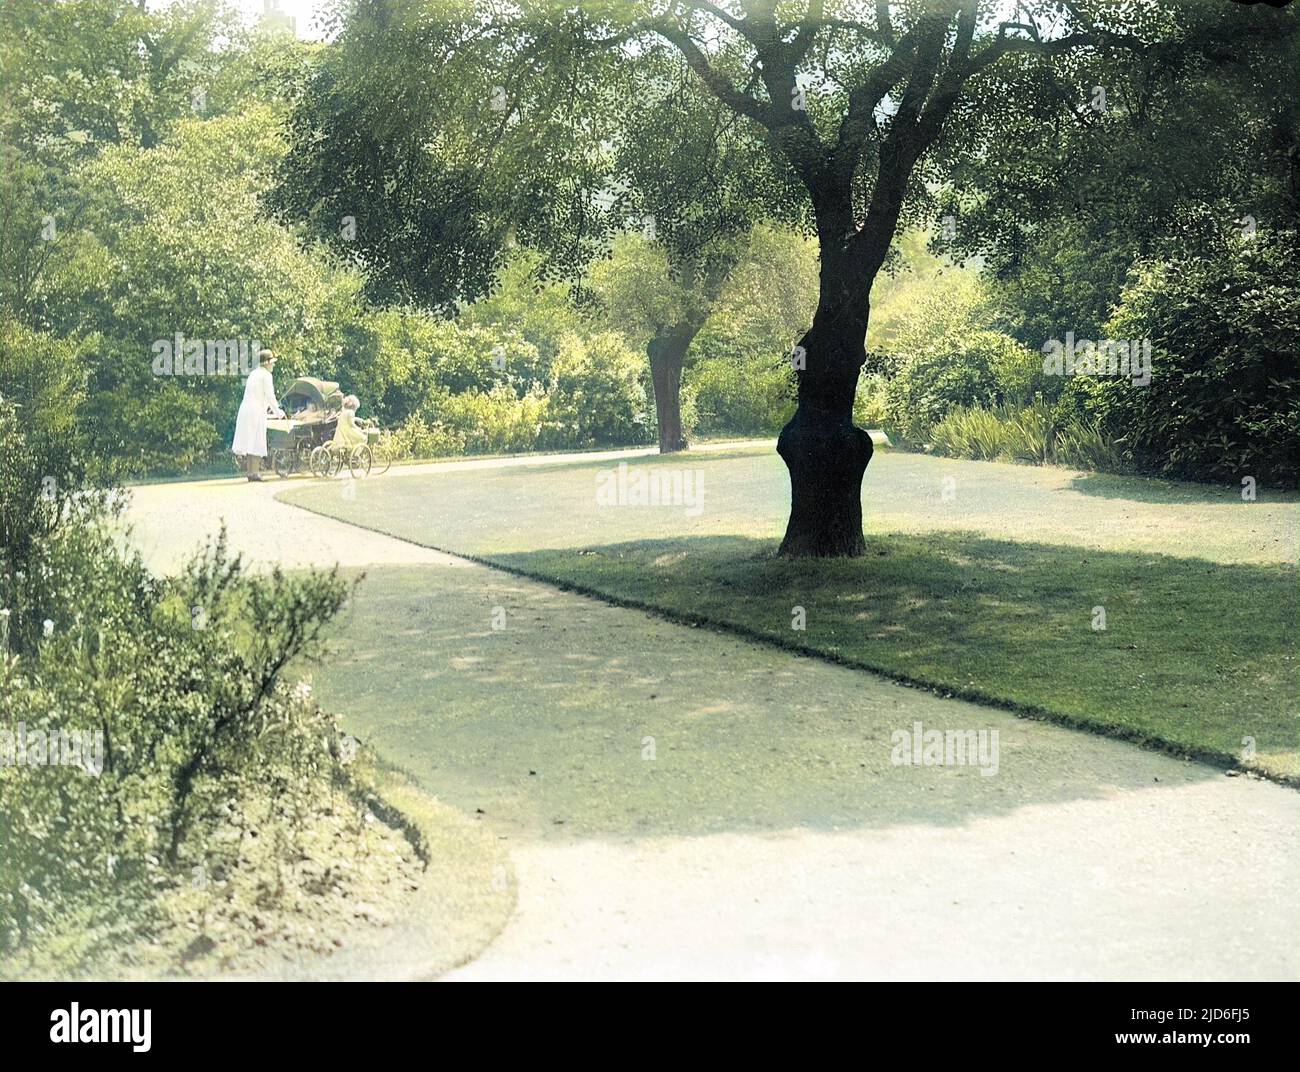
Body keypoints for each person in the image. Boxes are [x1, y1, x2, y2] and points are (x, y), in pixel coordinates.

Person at [231, 349, 284, 481]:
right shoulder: (266, 375)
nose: (273, 365)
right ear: (266, 363)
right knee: (255, 442)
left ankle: (251, 472)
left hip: (247, 410)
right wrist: (279, 412)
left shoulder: (254, 374)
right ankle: (254, 473)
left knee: (251, 442)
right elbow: (270, 396)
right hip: (255, 412)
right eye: (271, 362)